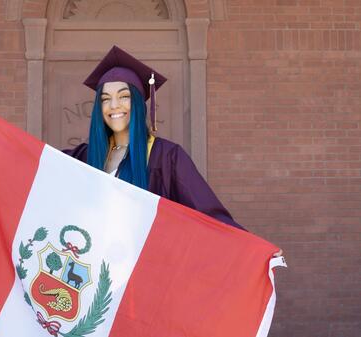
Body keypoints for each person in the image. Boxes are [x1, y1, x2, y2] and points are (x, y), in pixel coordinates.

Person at [63, 46, 245, 230]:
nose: (114, 105)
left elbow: (210, 215)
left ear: (139, 103)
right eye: (105, 99)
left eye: (124, 96)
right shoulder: (82, 157)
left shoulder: (167, 158)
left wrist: (260, 252)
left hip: (144, 257)